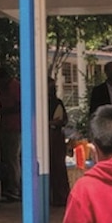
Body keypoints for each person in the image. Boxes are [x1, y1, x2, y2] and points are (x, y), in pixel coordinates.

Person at [0, 67, 22, 201]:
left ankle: (14, 188)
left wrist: (1, 112)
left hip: (15, 127)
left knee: (12, 158)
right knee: (5, 157)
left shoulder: (15, 87)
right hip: (5, 126)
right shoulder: (3, 89)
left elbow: (20, 106)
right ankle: (7, 186)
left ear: (4, 78)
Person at [48, 77, 70, 207]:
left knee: (58, 167)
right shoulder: (39, 102)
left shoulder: (57, 102)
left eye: (53, 87)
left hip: (56, 136)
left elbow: (64, 120)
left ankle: (61, 196)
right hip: (46, 137)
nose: (52, 90)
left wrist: (55, 123)